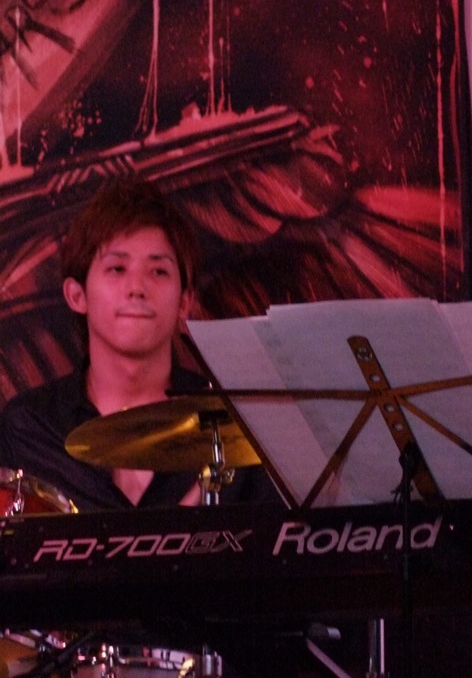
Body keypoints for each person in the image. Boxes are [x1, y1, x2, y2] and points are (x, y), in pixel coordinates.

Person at [0, 176, 277, 510]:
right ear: (77, 295)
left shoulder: (235, 426)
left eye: (158, 271)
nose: (137, 288)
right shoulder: (27, 428)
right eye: (117, 268)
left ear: (185, 302)